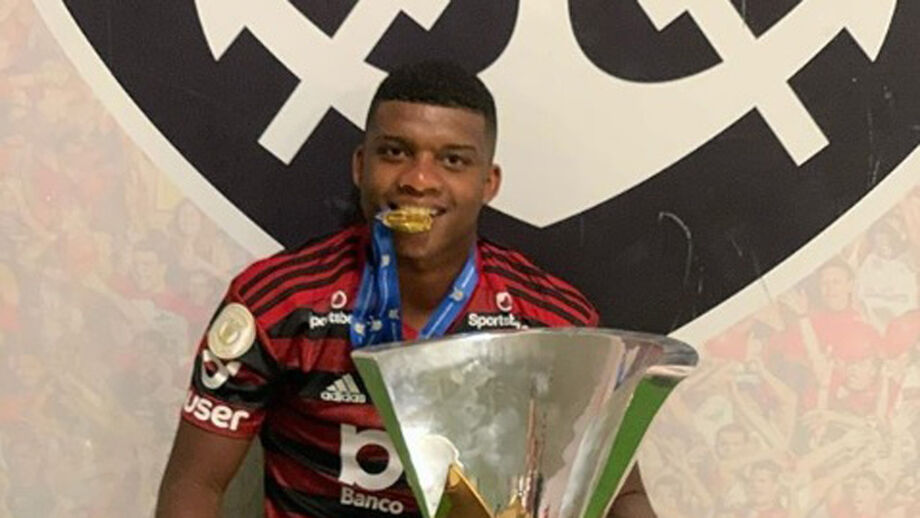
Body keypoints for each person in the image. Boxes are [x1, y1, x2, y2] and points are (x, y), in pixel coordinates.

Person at [156, 61, 654, 517]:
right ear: (360, 166)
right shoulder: (277, 302)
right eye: (395, 153)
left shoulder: (552, 324)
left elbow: (622, 495)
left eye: (452, 160)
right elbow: (195, 486)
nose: (418, 180)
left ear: (489, 183)